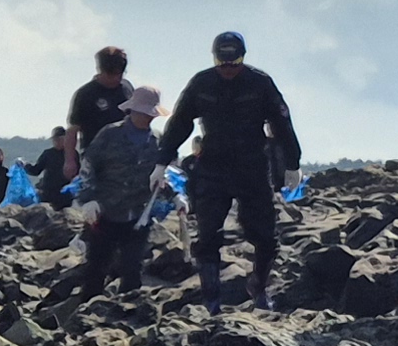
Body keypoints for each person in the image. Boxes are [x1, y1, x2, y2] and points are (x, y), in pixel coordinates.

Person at [162, 32, 300, 313]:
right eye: (222, 63)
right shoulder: (201, 83)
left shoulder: (260, 83)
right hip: (212, 167)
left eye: (233, 63)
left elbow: (282, 122)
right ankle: (211, 301)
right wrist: (160, 161)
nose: (227, 68)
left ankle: (259, 288)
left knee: (265, 236)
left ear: (242, 58)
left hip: (252, 167)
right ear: (215, 59)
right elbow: (180, 122)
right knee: (208, 236)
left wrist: (293, 163)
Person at [63, 87, 164, 304]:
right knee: (97, 266)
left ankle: (128, 311)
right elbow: (89, 165)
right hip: (105, 212)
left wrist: (175, 197)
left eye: (150, 114)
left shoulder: (157, 140)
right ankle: (88, 311)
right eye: (143, 112)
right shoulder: (110, 134)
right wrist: (88, 199)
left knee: (132, 267)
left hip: (138, 214)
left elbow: (162, 173)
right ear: (132, 110)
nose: (147, 117)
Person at [68, 48, 137, 149]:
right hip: (96, 152)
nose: (115, 78)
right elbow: (73, 130)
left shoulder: (127, 88)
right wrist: (70, 157)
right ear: (100, 70)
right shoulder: (85, 94)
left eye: (119, 74)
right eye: (110, 75)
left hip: (126, 150)